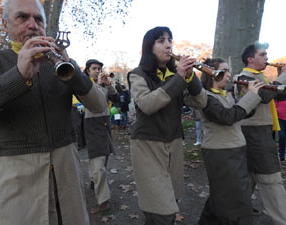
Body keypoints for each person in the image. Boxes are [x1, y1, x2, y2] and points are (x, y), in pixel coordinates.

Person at [0, 0, 107, 224]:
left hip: (66, 173)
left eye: (39, 19)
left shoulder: (60, 61)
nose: (33, 25)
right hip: (17, 177)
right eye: (22, 17)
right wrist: (18, 75)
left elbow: (100, 106)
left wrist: (74, 73)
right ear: (5, 25)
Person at [127, 26, 207, 225]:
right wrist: (179, 78)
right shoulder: (137, 75)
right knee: (161, 209)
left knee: (170, 199)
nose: (168, 45)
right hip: (147, 145)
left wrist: (191, 77)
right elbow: (147, 104)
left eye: (170, 40)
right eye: (161, 40)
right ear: (149, 46)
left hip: (173, 143)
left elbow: (201, 103)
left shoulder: (174, 74)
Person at [198, 58, 264, 225]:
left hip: (234, 150)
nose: (229, 75)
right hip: (220, 153)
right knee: (229, 198)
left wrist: (245, 95)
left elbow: (242, 114)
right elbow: (226, 117)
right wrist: (250, 96)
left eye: (228, 70)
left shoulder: (225, 95)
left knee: (222, 195)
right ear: (213, 74)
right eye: (225, 71)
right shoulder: (206, 97)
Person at [235, 42, 286, 225]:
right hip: (255, 133)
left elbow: (279, 95)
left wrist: (281, 77)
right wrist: (283, 76)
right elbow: (264, 96)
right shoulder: (244, 77)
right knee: (271, 178)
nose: (267, 58)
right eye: (263, 54)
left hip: (262, 131)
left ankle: (236, 212)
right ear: (251, 59)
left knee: (248, 177)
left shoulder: (259, 77)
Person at [83, 59, 120, 210]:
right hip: (92, 125)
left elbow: (117, 99)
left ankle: (94, 181)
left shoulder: (104, 84)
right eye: (94, 69)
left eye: (99, 69)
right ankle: (103, 199)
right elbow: (93, 99)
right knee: (97, 160)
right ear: (87, 71)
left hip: (105, 123)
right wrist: (98, 84)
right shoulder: (84, 84)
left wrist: (109, 85)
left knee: (104, 155)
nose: (98, 71)